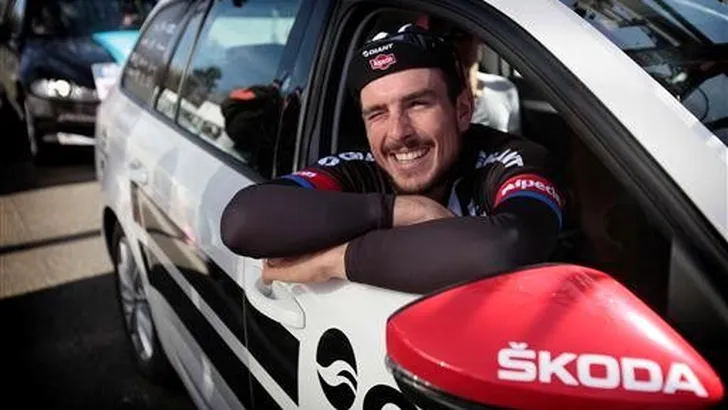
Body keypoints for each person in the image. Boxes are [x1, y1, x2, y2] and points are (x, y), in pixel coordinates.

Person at [220, 24, 565, 294]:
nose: (399, 132)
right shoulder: (360, 168)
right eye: (377, 113)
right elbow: (242, 221)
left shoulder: (509, 159)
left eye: (417, 104)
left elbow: (506, 247)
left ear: (462, 110)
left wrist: (334, 261)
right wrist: (402, 210)